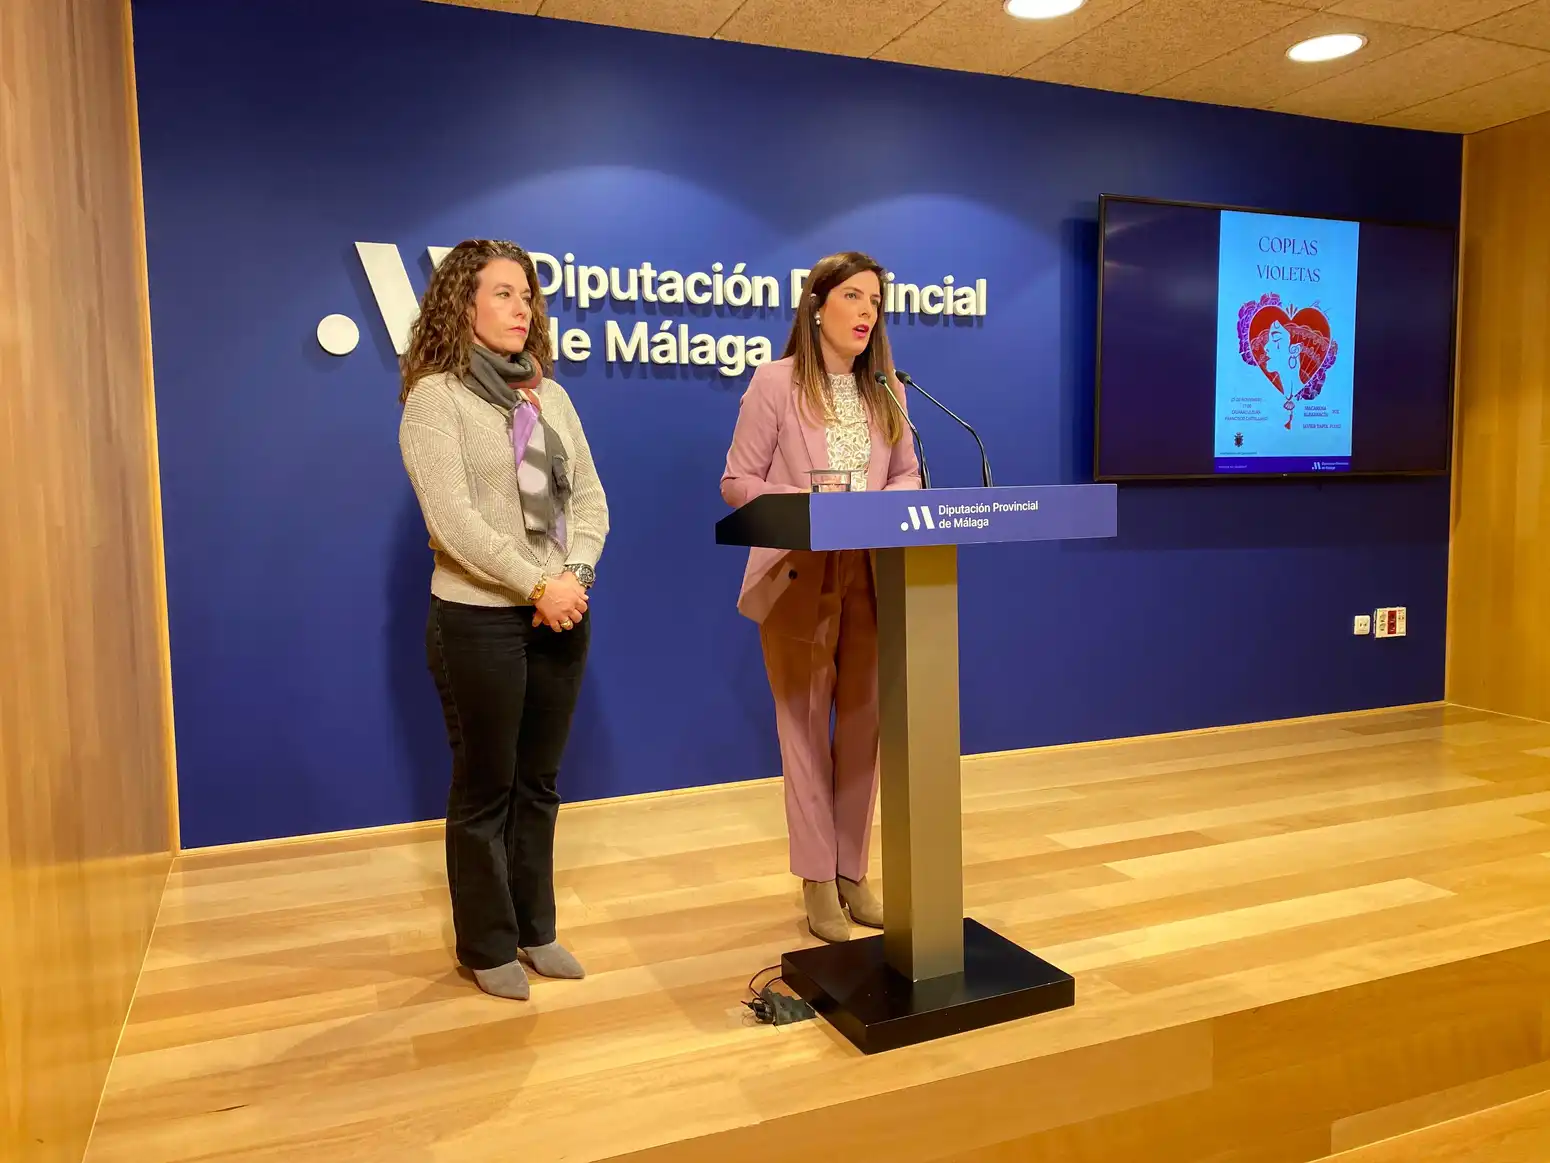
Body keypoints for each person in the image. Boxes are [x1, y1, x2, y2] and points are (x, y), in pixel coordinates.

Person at [398, 239, 608, 1000]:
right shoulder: (436, 398)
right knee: (486, 785)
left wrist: (574, 577)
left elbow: (590, 500)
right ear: (463, 304)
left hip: (561, 612)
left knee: (539, 783)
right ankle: (485, 943)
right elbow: (453, 522)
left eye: (527, 295)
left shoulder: (550, 398)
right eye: (504, 294)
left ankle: (534, 929)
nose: (523, 309)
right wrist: (536, 583)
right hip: (479, 619)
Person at [720, 251, 921, 943]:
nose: (867, 312)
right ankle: (815, 877)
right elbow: (738, 482)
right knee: (804, 730)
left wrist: (878, 504)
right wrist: (810, 504)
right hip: (799, 572)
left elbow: (908, 473)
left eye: (876, 301)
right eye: (854, 297)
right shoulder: (774, 382)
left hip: (871, 570)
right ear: (816, 305)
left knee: (863, 725)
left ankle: (851, 871)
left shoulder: (886, 388)